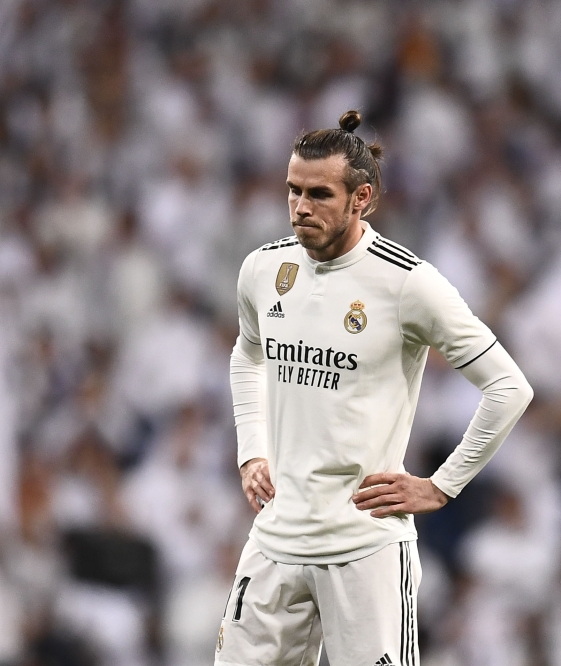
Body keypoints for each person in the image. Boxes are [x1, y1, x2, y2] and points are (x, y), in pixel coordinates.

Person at [219, 110, 534, 666]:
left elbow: (509, 387)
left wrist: (441, 486)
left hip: (363, 547)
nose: (300, 207)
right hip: (276, 538)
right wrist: (251, 451)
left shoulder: (408, 282)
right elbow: (248, 354)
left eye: (320, 194)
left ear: (361, 198)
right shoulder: (264, 270)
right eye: (293, 190)